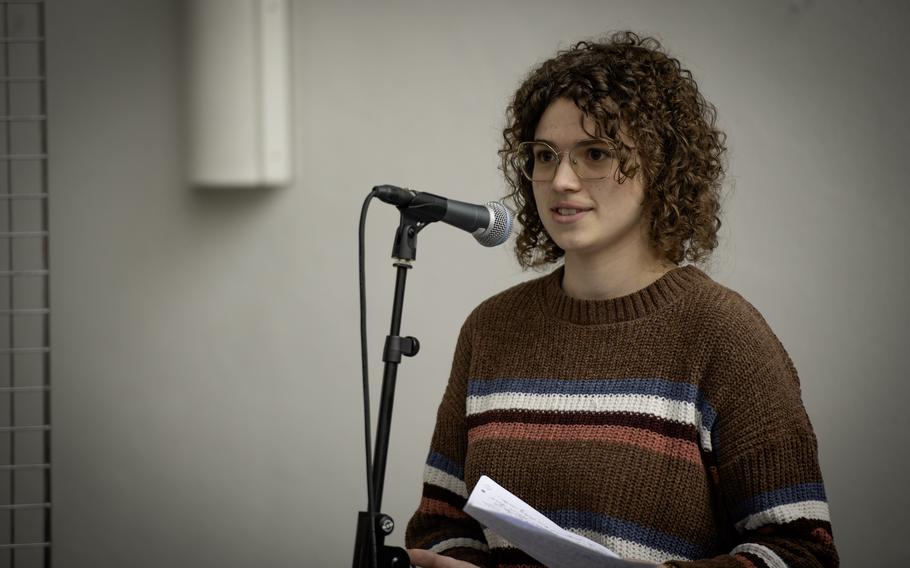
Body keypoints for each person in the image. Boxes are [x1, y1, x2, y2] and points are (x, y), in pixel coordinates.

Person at [405, 31, 837, 568]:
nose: (562, 180)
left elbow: (800, 551)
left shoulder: (725, 334)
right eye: (545, 156)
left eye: (595, 153)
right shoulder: (491, 328)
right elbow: (442, 523)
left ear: (662, 167)